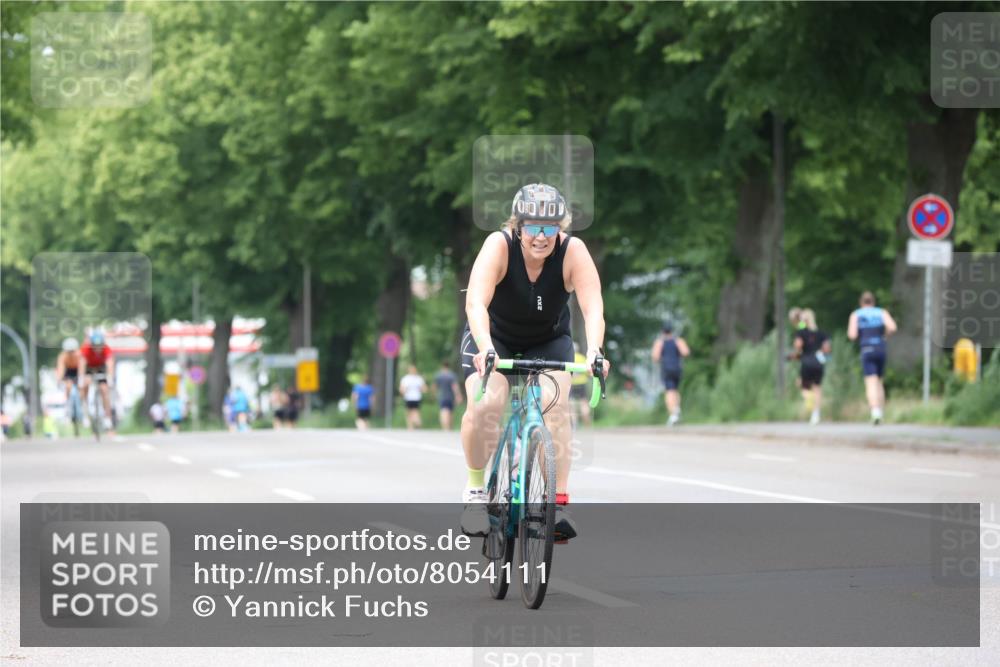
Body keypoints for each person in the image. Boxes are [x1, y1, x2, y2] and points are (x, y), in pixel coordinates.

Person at [459, 183, 609, 540]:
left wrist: (595, 350)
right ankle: (476, 492)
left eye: (550, 227)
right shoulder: (498, 245)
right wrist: (485, 347)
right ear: (518, 225)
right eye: (533, 227)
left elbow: (593, 308)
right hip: (494, 338)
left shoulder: (573, 251)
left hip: (548, 340)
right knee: (486, 404)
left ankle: (556, 505)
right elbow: (476, 303)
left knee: (554, 406)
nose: (541, 236)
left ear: (561, 227)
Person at [848, 291, 898, 425]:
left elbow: (852, 335)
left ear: (861, 302)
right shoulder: (881, 312)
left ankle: (875, 412)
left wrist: (862, 335)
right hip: (880, 347)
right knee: (879, 381)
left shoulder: (856, 314)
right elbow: (893, 327)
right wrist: (885, 335)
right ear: (873, 302)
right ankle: (881, 412)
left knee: (870, 381)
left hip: (866, 348)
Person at [791, 308, 831, 425]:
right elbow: (827, 348)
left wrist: (797, 354)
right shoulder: (821, 333)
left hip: (807, 361)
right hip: (819, 362)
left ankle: (809, 401)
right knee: (817, 388)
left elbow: (798, 345)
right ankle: (816, 414)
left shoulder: (801, 332)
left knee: (803, 385)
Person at [651, 320, 690, 426]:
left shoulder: (660, 342)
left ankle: (673, 415)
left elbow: (655, 357)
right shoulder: (678, 341)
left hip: (667, 369)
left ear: (662, 331)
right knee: (675, 390)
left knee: (669, 391)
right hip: (677, 368)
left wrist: (663, 357)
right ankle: (676, 409)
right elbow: (686, 352)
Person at [79, 330, 116, 437]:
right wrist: (81, 378)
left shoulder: (107, 349)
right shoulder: (86, 349)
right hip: (89, 368)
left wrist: (110, 377)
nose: (97, 349)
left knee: (104, 389)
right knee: (85, 384)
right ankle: (85, 411)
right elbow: (82, 364)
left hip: (101, 368)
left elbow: (110, 363)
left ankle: (107, 417)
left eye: (99, 346)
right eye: (95, 346)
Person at [433, 361, 463, 430]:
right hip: (451, 397)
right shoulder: (452, 375)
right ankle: (449, 427)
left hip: (442, 396)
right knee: (450, 412)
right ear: (448, 366)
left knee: (443, 411)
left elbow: (434, 386)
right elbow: (455, 387)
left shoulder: (438, 375)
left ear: (442, 366)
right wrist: (458, 396)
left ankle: (445, 427)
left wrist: (434, 394)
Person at [55, 338, 81, 415]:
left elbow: (82, 368)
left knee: (81, 388)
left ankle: (82, 405)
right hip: (68, 372)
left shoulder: (80, 355)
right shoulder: (62, 356)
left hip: (78, 371)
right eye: (69, 351)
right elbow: (61, 369)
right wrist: (59, 379)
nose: (71, 353)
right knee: (68, 386)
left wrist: (81, 379)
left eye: (72, 351)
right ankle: (68, 405)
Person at [569, 345, 593, 428]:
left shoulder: (569, 358)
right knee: (584, 403)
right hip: (582, 383)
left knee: (571, 405)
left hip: (571, 384)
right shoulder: (582, 358)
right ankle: (587, 424)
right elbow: (588, 372)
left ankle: (574, 424)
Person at [399, 365, 427, 430]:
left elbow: (401, 389)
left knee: (411, 412)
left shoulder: (407, 378)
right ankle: (413, 424)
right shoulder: (418, 378)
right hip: (414, 397)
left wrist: (403, 392)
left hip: (411, 397)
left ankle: (414, 424)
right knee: (413, 412)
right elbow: (424, 389)